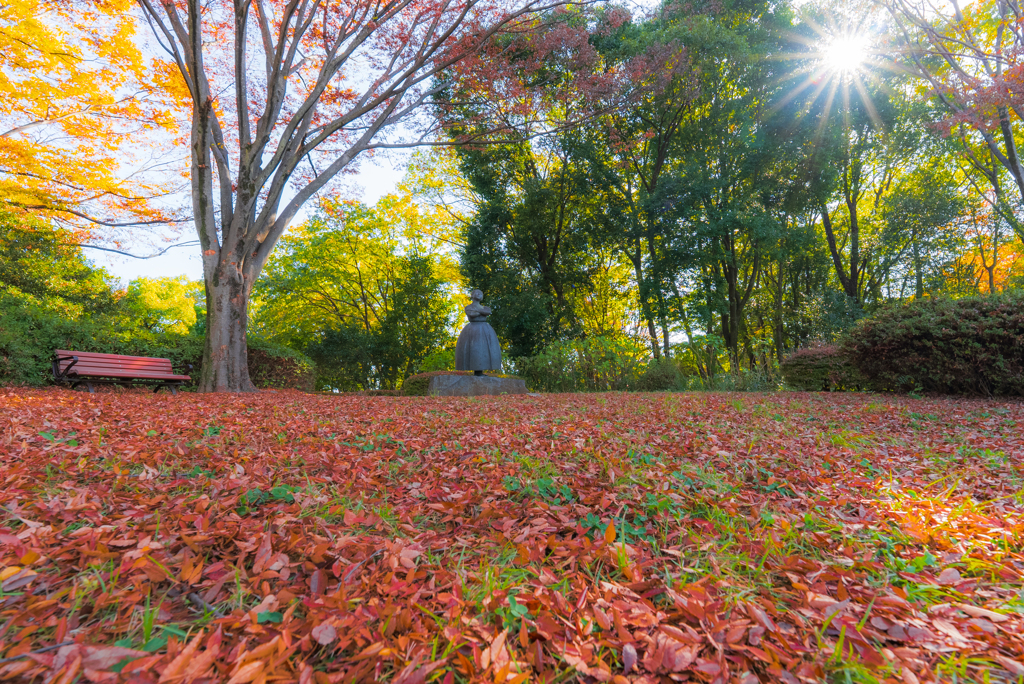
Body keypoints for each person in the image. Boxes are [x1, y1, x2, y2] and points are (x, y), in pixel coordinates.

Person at [455, 289, 502, 374]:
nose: (479, 294)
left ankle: (481, 370)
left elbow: (488, 312)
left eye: (481, 293)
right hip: (472, 330)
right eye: (477, 293)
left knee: (483, 349)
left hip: (484, 329)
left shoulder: (485, 308)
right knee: (474, 349)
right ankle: (476, 371)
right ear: (472, 295)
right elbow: (472, 314)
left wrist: (478, 311)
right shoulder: (468, 307)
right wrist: (481, 312)